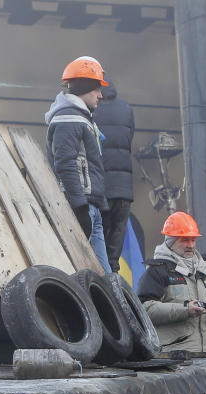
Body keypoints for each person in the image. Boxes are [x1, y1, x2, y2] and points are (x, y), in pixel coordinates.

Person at [45, 56, 113, 272]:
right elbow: (65, 164)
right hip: (79, 207)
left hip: (89, 205)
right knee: (95, 277)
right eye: (97, 89)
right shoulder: (69, 118)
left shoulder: (80, 117)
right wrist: (79, 205)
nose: (101, 95)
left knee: (104, 279)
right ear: (85, 88)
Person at [136, 211, 206, 351]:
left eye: (193, 239)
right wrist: (185, 310)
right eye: (184, 240)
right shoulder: (156, 271)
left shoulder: (205, 270)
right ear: (170, 242)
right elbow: (143, 310)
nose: (191, 245)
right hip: (175, 361)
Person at [93, 79, 134, 272]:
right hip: (124, 189)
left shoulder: (91, 109)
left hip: (101, 188)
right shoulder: (126, 108)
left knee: (98, 241)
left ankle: (102, 279)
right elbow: (129, 137)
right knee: (117, 235)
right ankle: (114, 277)